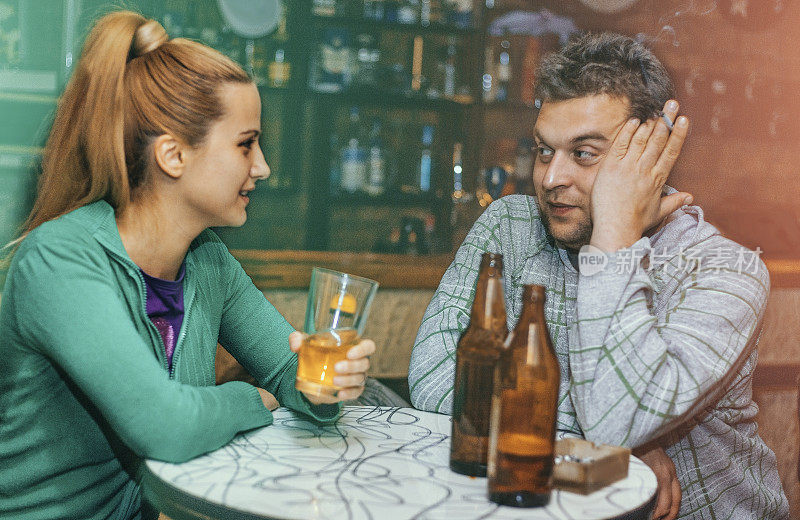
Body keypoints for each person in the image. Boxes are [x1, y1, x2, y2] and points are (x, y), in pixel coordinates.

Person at [0, 11, 376, 520]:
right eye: (246, 144)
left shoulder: (208, 261)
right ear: (173, 156)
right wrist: (254, 398)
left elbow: (293, 371)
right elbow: (166, 426)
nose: (262, 166)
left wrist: (327, 384)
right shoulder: (60, 260)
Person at [410, 32, 789, 520]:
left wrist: (613, 234)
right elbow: (434, 379)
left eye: (584, 153)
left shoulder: (724, 271)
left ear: (653, 155)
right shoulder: (510, 227)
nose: (549, 178)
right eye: (544, 151)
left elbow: (618, 422)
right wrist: (597, 445)